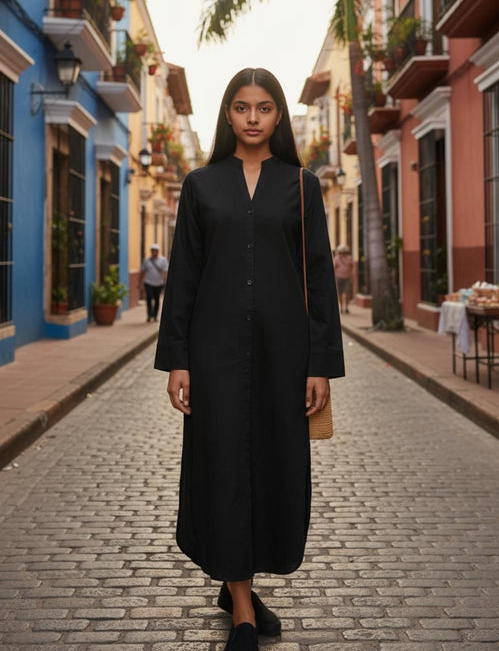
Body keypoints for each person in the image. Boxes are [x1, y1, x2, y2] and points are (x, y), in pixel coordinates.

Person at [154, 67, 345, 651]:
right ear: (228, 114)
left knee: (272, 467)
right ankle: (241, 607)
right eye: (242, 107)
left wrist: (319, 363)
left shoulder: (302, 186)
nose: (253, 117)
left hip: (285, 354)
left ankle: (239, 585)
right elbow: (184, 277)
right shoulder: (200, 185)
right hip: (213, 354)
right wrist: (178, 358)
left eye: (264, 107)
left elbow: (319, 277)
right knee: (223, 467)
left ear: (279, 115)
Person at [139, 243, 168, 322]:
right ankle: (149, 315)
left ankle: (155, 316)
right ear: (151, 251)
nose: (154, 252)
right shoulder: (146, 261)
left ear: (158, 251)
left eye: (156, 250)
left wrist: (165, 280)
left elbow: (165, 271)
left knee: (157, 299)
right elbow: (142, 272)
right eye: (153, 250)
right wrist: (140, 283)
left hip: (159, 283)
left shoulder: (163, 260)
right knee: (149, 298)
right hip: (148, 282)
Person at [334, 244, 353, 314]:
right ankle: (341, 307)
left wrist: (351, 277)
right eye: (341, 252)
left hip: (347, 278)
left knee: (346, 294)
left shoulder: (349, 258)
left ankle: (346, 307)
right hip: (338, 278)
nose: (342, 253)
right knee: (339, 293)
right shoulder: (336, 258)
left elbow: (352, 267)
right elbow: (334, 268)